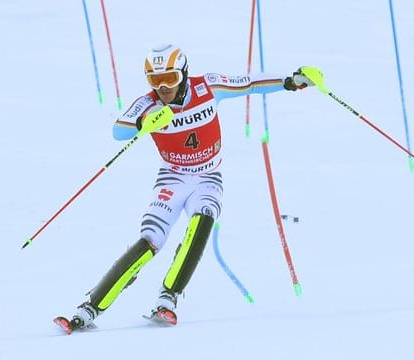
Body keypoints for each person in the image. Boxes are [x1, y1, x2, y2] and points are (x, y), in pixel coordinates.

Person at [55, 44, 316, 333]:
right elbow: (119, 130)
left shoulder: (207, 87)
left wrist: (291, 81)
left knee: (202, 221)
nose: (164, 87)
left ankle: (168, 298)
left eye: (170, 78)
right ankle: (90, 308)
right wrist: (143, 122)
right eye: (155, 80)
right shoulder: (148, 104)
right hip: (172, 179)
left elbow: (250, 84)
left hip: (207, 178)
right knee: (150, 241)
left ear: (184, 74)